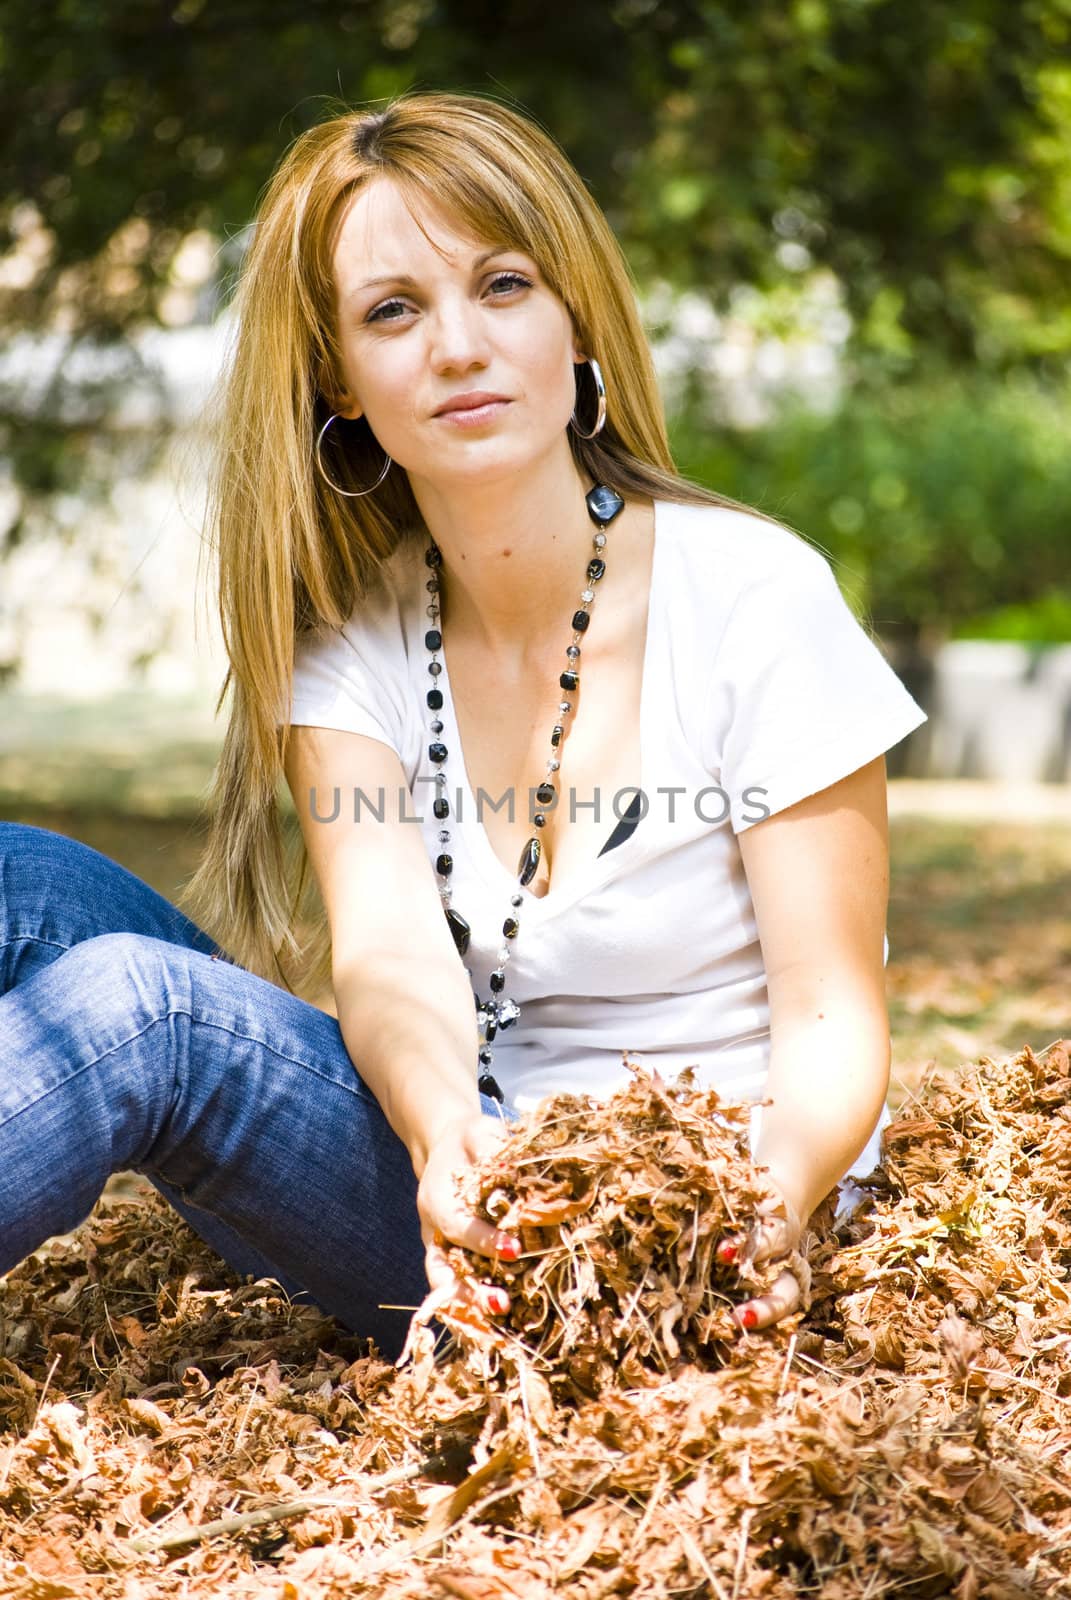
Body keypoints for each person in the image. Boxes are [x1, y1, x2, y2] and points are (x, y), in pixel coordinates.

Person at [0, 92, 926, 1361]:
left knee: (139, 1009)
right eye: (394, 310)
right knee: (21, 879)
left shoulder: (755, 598)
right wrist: (444, 1142)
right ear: (339, 380)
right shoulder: (353, 638)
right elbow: (387, 962)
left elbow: (834, 1010)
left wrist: (767, 1201)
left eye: (503, 285)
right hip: (463, 1178)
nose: (457, 346)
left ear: (574, 319)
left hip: (693, 1215)